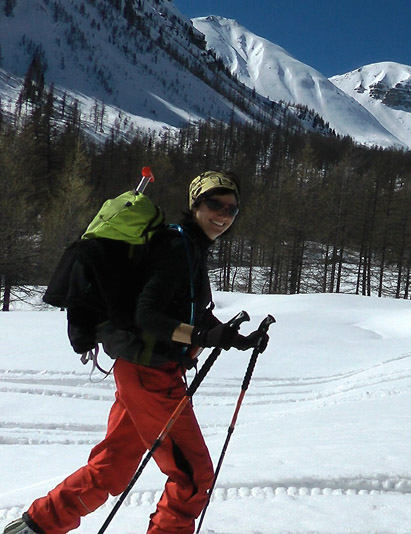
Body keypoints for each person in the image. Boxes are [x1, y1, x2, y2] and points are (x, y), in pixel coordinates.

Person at [5, 171, 267, 534]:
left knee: (112, 465)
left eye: (231, 209)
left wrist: (230, 336)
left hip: (139, 370)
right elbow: (148, 316)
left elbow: (184, 308)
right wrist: (205, 336)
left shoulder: (189, 246)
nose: (223, 215)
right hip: (150, 375)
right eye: (214, 204)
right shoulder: (178, 247)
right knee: (193, 476)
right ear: (195, 205)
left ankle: (34, 527)